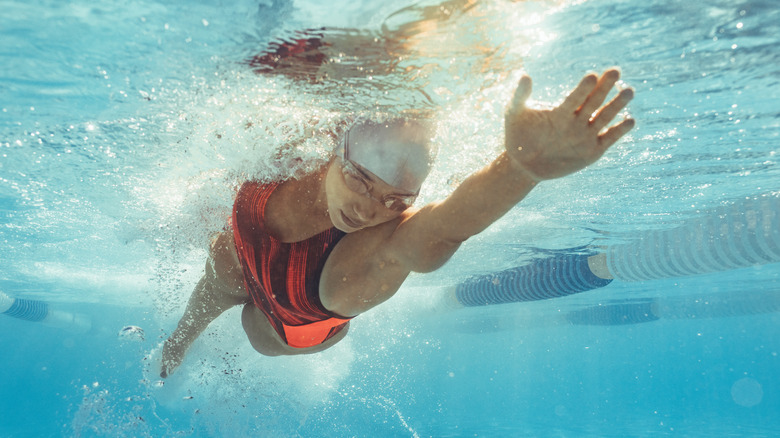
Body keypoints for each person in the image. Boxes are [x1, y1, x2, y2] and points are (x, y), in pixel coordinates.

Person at [160, 68, 635, 378]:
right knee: (223, 264)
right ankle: (175, 346)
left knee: (254, 328)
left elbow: (447, 225)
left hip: (294, 322)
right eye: (361, 181)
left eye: (396, 199)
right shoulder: (294, 147)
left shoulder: (368, 260)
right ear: (335, 149)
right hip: (249, 260)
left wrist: (523, 168)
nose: (369, 209)